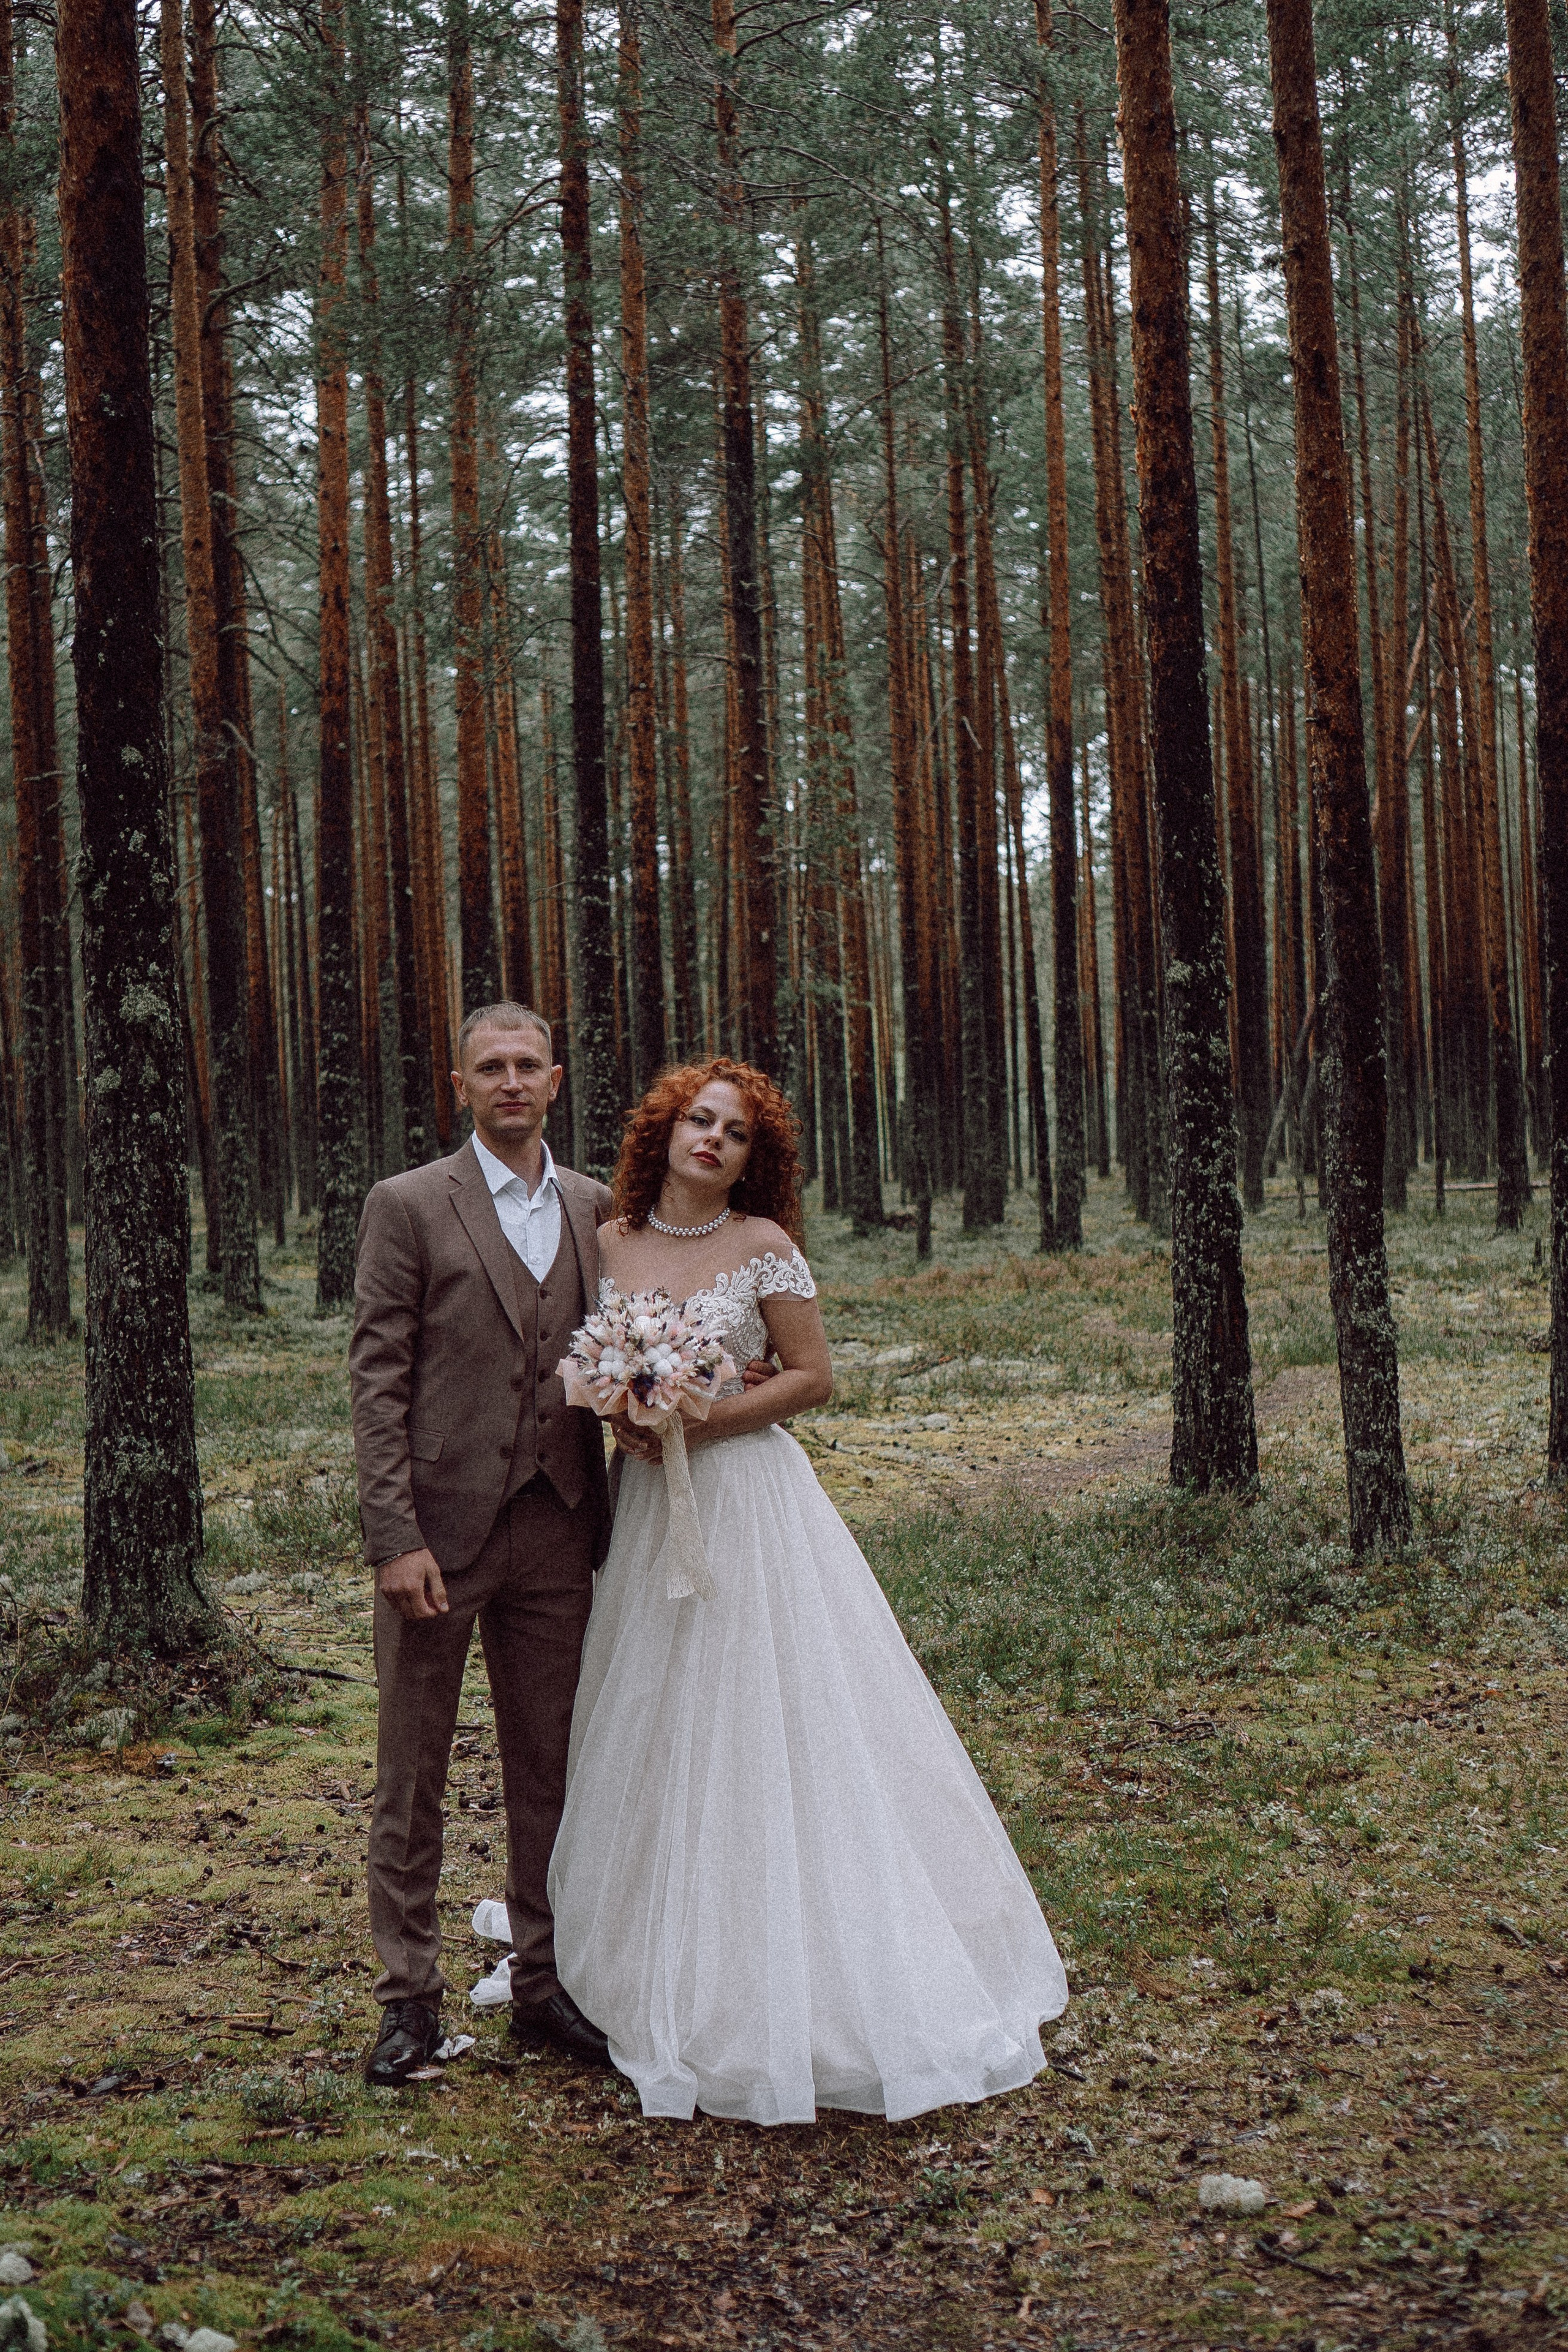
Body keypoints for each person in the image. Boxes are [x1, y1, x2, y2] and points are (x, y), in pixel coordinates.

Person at [545, 1056, 1069, 2125]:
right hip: (648, 1509)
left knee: (767, 1708)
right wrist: (627, 1413)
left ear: (756, 1157)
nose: (713, 1144)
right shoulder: (611, 1242)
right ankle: (653, 1943)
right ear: (666, 1131)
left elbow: (813, 1379)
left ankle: (799, 1953)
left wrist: (701, 1416)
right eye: (700, 1123)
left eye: (736, 1135)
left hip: (748, 1503)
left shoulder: (765, 1248)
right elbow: (596, 1365)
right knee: (654, 1711)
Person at [348, 1002, 619, 2086]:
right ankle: (407, 2002)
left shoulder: (602, 1207)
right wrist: (393, 1534)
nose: (511, 1082)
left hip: (560, 1529)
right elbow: (377, 1379)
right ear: (458, 1084)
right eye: (489, 1068)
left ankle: (547, 1984)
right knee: (410, 1774)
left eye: (528, 1066)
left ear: (556, 1082)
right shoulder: (409, 1204)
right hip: (439, 1541)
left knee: (551, 1768)